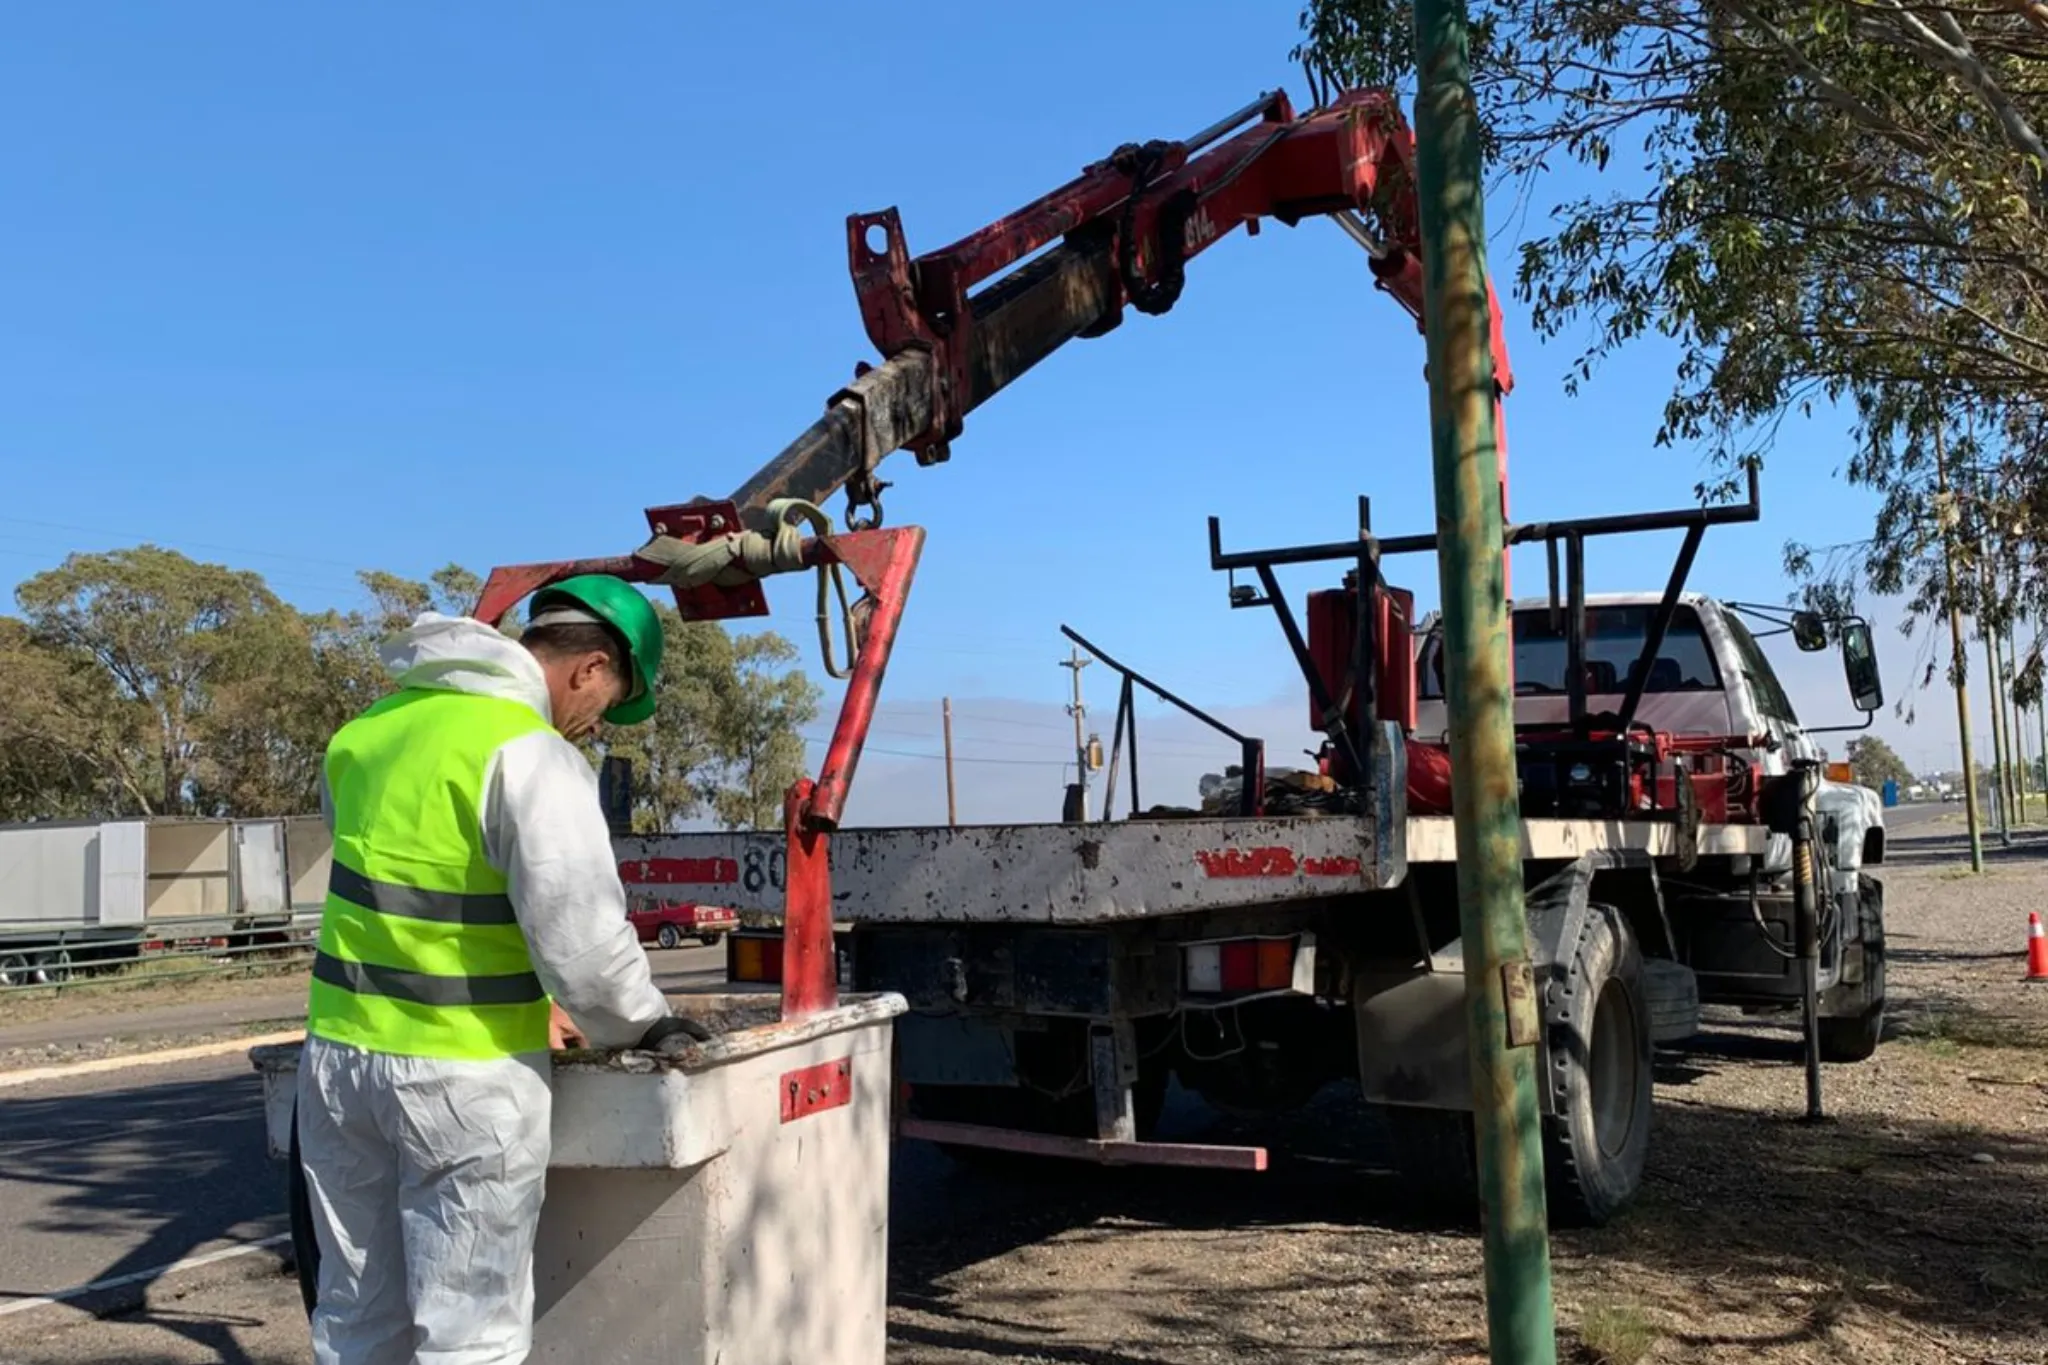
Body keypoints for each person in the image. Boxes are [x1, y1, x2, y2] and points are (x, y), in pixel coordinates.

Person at [295, 575, 703, 1365]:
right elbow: (581, 940)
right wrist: (645, 1022)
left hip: (340, 1064)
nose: (592, 724)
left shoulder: (366, 732)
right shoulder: (530, 754)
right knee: (468, 1334)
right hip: (463, 1079)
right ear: (588, 666)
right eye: (606, 701)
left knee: (354, 1317)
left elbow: (415, 887)